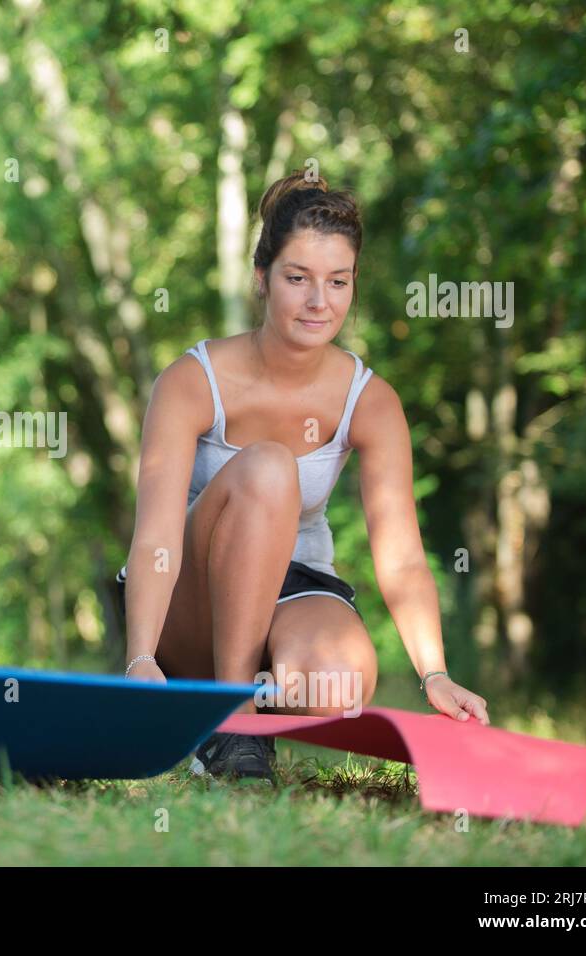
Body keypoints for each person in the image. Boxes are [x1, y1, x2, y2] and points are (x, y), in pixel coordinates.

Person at [117, 170, 488, 784]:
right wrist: (138, 657)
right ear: (261, 280)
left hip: (295, 584)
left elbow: (400, 558)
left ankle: (239, 706)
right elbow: (156, 537)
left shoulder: (370, 400)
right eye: (298, 279)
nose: (320, 302)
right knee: (269, 466)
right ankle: (229, 720)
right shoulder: (191, 380)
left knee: (341, 681)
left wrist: (435, 673)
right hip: (189, 591)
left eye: (337, 282)